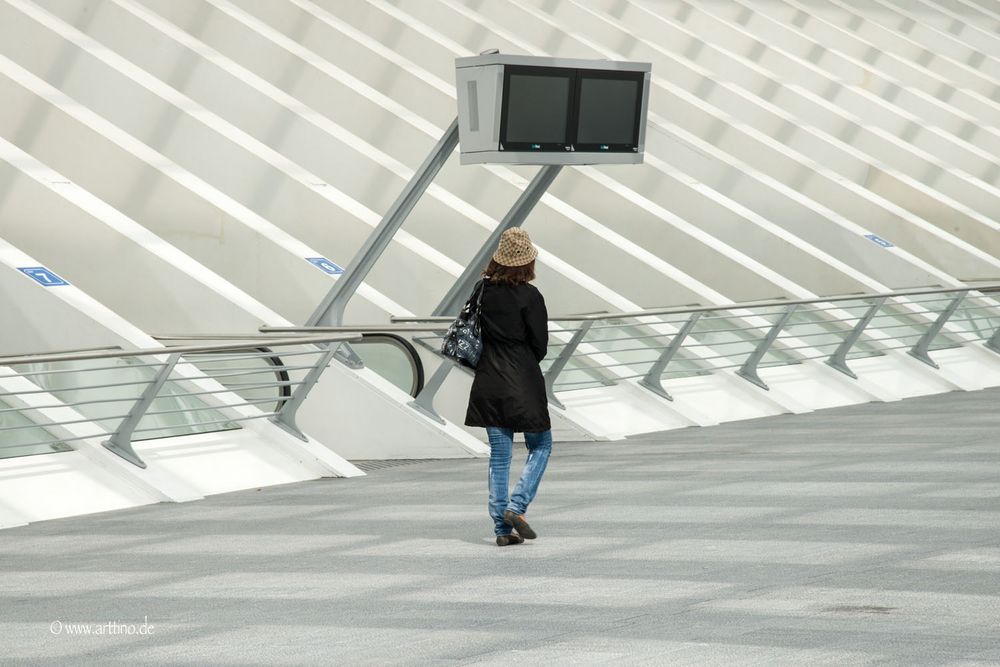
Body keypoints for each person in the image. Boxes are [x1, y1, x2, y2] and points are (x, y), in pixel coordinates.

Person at [465, 228, 553, 547]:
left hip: (489, 380)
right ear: (527, 262)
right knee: (541, 444)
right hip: (523, 381)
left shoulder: (482, 290)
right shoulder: (531, 296)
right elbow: (539, 344)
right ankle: (517, 507)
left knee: (499, 457)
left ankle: (502, 531)